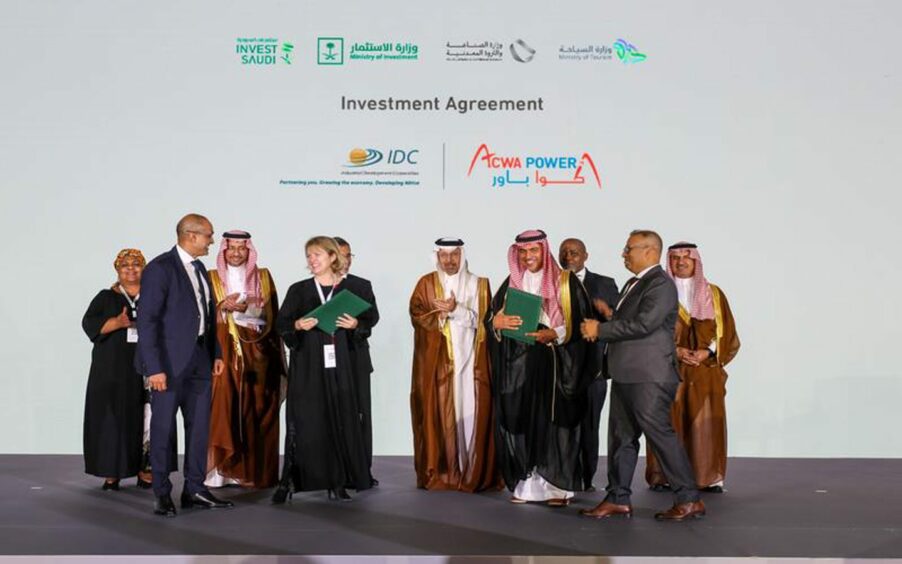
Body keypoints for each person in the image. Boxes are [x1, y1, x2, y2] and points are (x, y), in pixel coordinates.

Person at [579, 230, 704, 521]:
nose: (624, 253)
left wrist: (601, 330)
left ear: (649, 251)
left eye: (628, 248)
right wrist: (611, 316)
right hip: (627, 373)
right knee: (621, 438)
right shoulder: (635, 284)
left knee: (660, 435)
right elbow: (635, 323)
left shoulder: (660, 284)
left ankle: (689, 499)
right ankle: (618, 498)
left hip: (650, 375)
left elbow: (646, 324)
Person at [486, 229, 594, 506]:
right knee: (525, 421)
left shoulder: (566, 282)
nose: (527, 257)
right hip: (522, 366)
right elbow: (493, 318)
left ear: (543, 251)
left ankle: (557, 487)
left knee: (553, 423)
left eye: (533, 251)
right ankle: (528, 485)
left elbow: (583, 324)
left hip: (556, 365)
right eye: (522, 252)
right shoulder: (511, 283)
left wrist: (554, 334)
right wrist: (495, 324)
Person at [136, 214, 231, 517]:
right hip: (167, 366)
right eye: (208, 236)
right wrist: (154, 369)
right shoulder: (160, 268)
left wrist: (215, 353)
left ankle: (195, 488)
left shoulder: (201, 268)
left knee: (199, 429)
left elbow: (207, 313)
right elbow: (147, 321)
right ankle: (162, 493)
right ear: (191, 235)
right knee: (162, 430)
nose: (212, 241)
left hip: (200, 362)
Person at [273, 236, 375, 502]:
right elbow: (281, 322)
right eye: (309, 256)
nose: (312, 260)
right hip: (308, 363)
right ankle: (291, 482)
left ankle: (337, 481)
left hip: (341, 361)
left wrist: (356, 325)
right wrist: (296, 326)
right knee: (305, 419)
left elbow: (369, 319)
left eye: (317, 255)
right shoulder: (299, 289)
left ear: (332, 257)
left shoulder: (351, 290)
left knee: (339, 417)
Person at [645, 242, 740, 493]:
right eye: (675, 258)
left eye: (687, 258)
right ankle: (664, 476)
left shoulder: (714, 294)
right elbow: (648, 330)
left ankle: (707, 477)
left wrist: (706, 351)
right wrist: (674, 350)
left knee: (704, 424)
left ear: (696, 261)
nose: (681, 262)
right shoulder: (659, 292)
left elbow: (727, 333)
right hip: (667, 368)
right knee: (668, 422)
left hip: (704, 370)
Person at [409, 238, 501, 492]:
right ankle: (444, 473)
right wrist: (438, 315)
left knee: (470, 415)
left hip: (473, 362)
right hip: (439, 365)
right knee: (440, 415)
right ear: (436, 256)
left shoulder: (479, 284)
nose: (449, 261)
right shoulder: (426, 284)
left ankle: (471, 472)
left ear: (463, 255)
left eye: (454, 256)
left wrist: (455, 309)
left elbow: (484, 322)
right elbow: (417, 316)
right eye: (444, 256)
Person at [205, 230, 286, 489]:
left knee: (256, 406)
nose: (237, 253)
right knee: (223, 405)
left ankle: (253, 471)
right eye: (232, 248)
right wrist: (222, 308)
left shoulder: (262, 276)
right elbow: (202, 314)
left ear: (249, 251)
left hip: (257, 351)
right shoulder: (211, 277)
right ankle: (221, 471)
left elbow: (272, 314)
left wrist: (249, 308)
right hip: (223, 350)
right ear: (224, 250)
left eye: (243, 248)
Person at [82, 248, 152, 490]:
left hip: (147, 369)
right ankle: (112, 472)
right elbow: (89, 324)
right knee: (112, 419)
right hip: (111, 371)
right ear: (117, 270)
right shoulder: (106, 297)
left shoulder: (154, 296)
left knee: (148, 417)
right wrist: (116, 323)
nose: (131, 270)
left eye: (136, 265)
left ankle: (146, 470)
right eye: (125, 266)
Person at [559, 237, 619, 492]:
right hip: (559, 367)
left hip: (593, 368)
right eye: (564, 253)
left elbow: (620, 322)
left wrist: (606, 313)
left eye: (574, 252)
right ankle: (562, 475)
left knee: (589, 423)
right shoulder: (553, 283)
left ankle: (585, 478)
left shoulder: (604, 284)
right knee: (561, 424)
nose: (569, 256)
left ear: (586, 255)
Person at [334, 236, 380, 486]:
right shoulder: (314, 287)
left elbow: (372, 317)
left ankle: (361, 472)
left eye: (349, 255)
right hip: (326, 362)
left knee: (360, 414)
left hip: (355, 358)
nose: (346, 261)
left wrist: (356, 325)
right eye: (341, 255)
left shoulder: (362, 286)